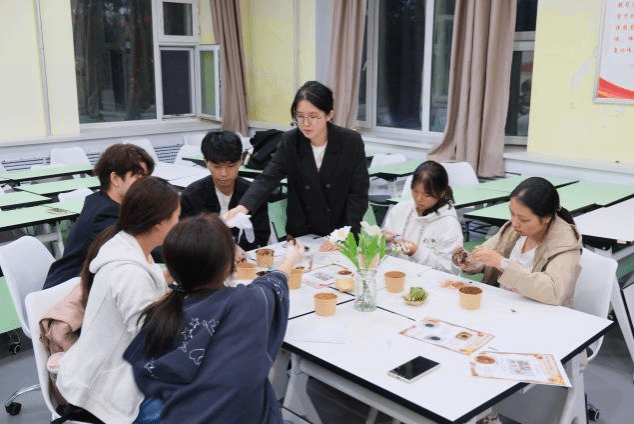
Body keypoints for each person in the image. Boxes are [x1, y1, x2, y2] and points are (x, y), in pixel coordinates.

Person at [123, 214, 304, 423]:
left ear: (171, 267)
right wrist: (290, 258)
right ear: (228, 264)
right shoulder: (245, 304)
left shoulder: (160, 314)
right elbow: (272, 286)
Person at [56, 177, 180, 424]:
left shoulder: (126, 245)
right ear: (159, 223)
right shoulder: (128, 273)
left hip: (103, 373)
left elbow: (148, 281)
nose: (179, 223)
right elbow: (150, 344)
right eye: (177, 217)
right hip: (109, 393)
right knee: (200, 400)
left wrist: (175, 274)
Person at [227, 81, 369, 251]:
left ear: (329, 115)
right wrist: (244, 206)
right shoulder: (291, 141)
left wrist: (342, 235)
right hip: (303, 231)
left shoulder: (350, 142)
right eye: (300, 116)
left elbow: (358, 195)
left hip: (341, 231)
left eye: (313, 116)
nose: (305, 123)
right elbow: (269, 177)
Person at [453, 177, 582, 307]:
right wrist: (472, 262)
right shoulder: (513, 230)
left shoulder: (565, 244)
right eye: (512, 213)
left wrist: (502, 263)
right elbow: (489, 255)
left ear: (547, 217)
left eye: (523, 219)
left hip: (538, 313)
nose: (514, 223)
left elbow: (553, 292)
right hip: (504, 306)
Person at [44, 143, 154, 289]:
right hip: (67, 290)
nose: (145, 185)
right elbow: (138, 247)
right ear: (115, 179)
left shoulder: (102, 200)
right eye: (139, 178)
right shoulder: (104, 215)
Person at [180, 130, 270, 250]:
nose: (224, 173)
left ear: (240, 160)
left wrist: (240, 252)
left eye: (230, 166)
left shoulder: (253, 194)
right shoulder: (191, 196)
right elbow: (187, 240)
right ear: (206, 162)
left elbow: (261, 236)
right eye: (217, 166)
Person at [382, 161, 463, 274]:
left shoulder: (449, 224)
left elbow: (451, 270)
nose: (419, 199)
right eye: (415, 191)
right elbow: (384, 256)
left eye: (427, 195)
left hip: (430, 282)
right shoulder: (400, 210)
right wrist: (383, 242)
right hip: (396, 276)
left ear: (441, 193)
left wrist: (417, 252)